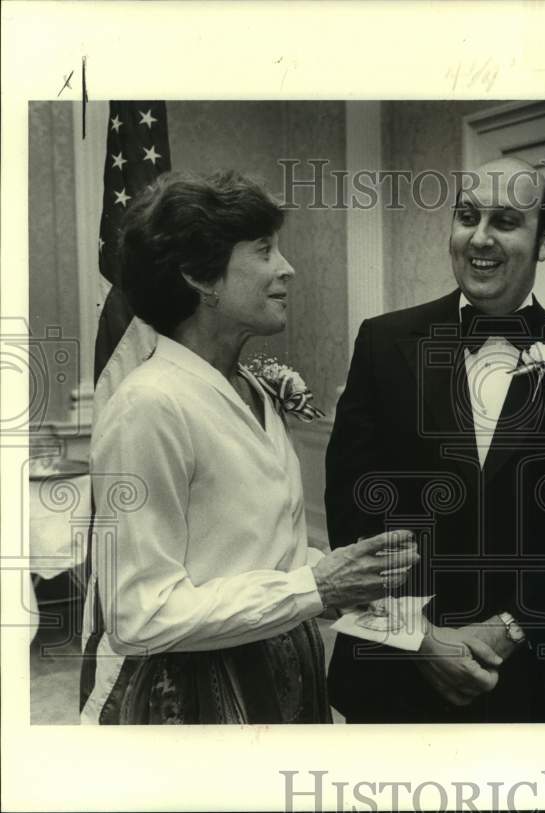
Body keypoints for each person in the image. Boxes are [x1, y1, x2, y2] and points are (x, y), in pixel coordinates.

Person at [79, 171, 418, 724]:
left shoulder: (251, 388)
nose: (288, 268)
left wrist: (340, 577)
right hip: (189, 698)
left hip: (279, 667)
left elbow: (257, 554)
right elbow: (140, 614)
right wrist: (315, 586)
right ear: (198, 276)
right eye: (264, 251)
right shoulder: (149, 405)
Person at [324, 157, 545, 722]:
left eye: (506, 221)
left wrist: (509, 629)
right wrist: (419, 639)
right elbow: (351, 517)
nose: (479, 238)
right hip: (395, 673)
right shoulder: (384, 343)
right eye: (467, 216)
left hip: (533, 675)